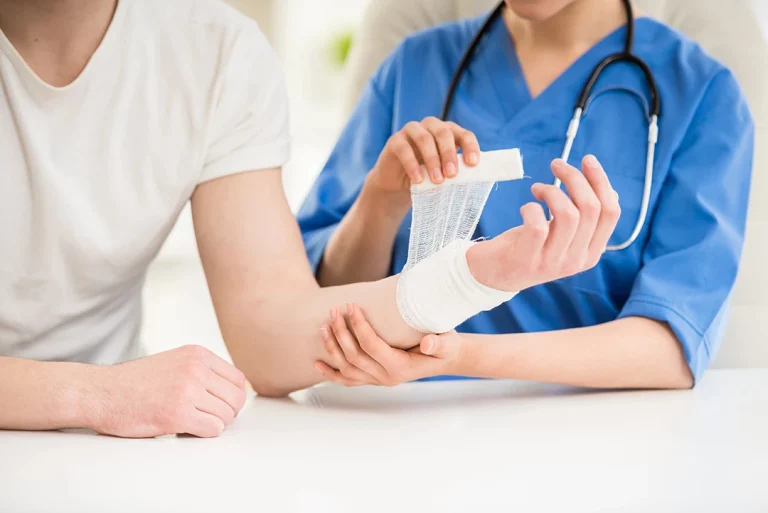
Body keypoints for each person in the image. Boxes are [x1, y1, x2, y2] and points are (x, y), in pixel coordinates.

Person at [0, 0, 620, 437]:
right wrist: (95, 394)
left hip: (101, 449)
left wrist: (480, 273)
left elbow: (270, 339)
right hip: (101, 415)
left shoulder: (217, 51)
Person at [298, 0, 754, 388]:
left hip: (592, 443)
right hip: (387, 429)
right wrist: (380, 201)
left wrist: (457, 358)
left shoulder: (702, 94)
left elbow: (671, 345)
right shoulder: (415, 65)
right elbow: (321, 301)